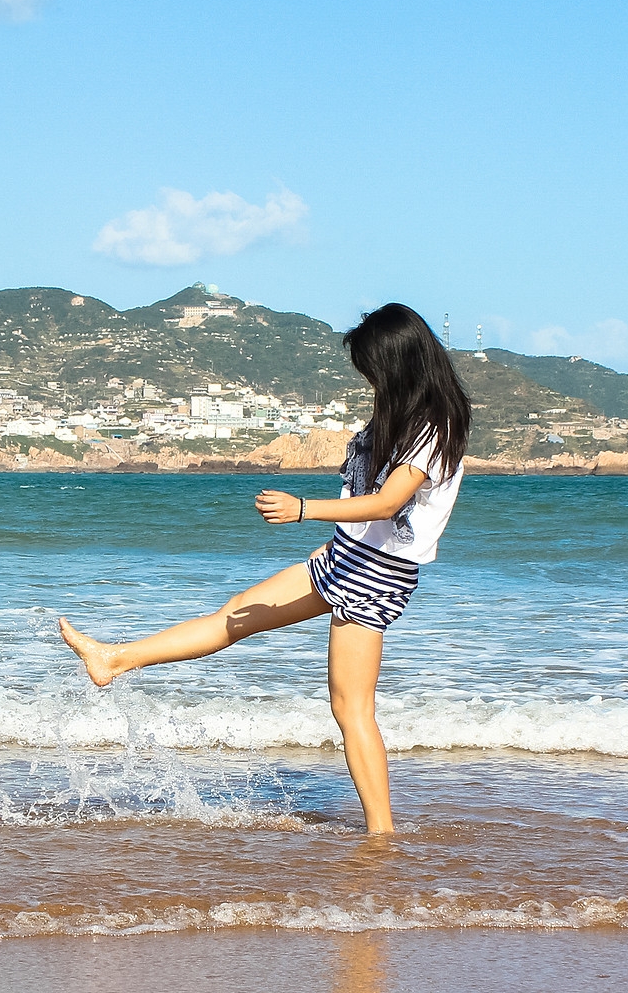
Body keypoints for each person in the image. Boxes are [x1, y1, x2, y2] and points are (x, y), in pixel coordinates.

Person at [58, 303, 471, 833]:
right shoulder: (407, 413)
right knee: (237, 614)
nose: (369, 378)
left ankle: (381, 834)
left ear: (399, 362)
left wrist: (304, 508)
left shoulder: (433, 425)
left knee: (350, 710)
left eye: (373, 368)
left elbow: (388, 504)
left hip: (377, 573)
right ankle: (113, 659)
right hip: (348, 554)